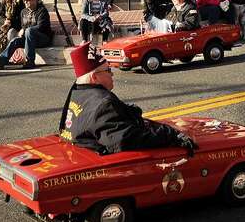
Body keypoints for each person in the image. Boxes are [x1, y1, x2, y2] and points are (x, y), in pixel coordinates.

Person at [58, 41, 196, 155]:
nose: (112, 75)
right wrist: (170, 135)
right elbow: (126, 138)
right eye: (108, 70)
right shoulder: (103, 103)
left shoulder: (77, 92)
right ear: (94, 77)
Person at [0, 0, 52, 69]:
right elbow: (23, 26)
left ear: (35, 0)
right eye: (25, 0)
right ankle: (2, 60)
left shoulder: (42, 11)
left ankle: (30, 61)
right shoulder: (23, 12)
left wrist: (26, 30)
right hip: (29, 38)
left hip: (42, 38)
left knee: (29, 30)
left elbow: (41, 26)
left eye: (29, 0)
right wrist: (22, 30)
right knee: (15, 41)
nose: (26, 2)